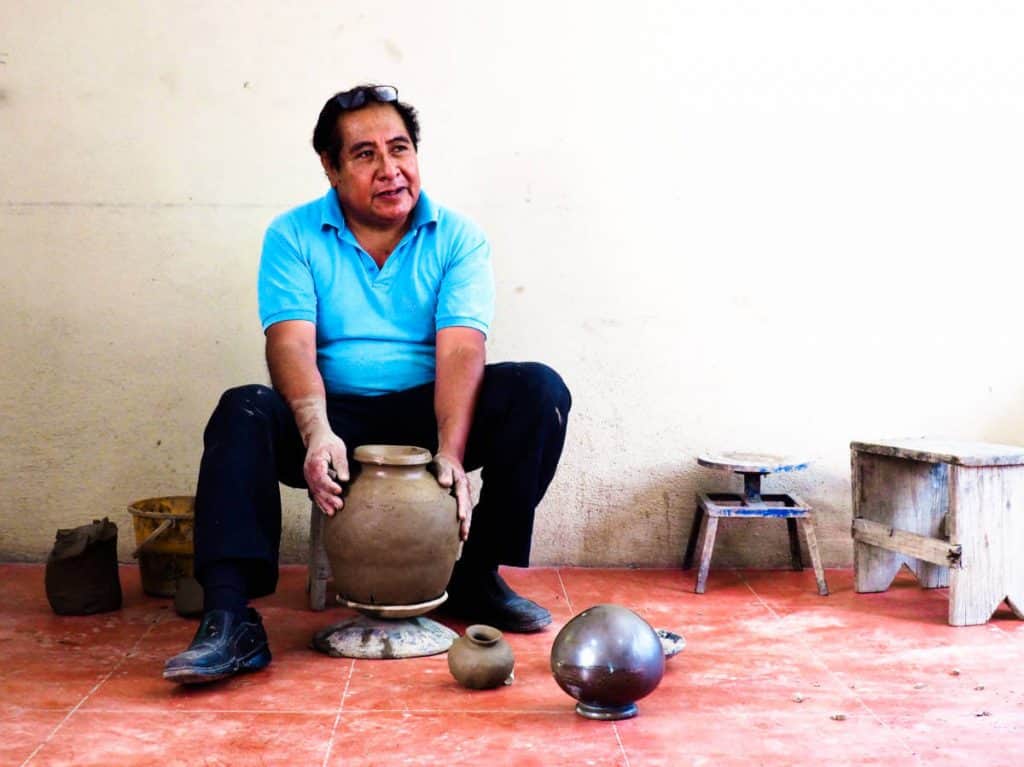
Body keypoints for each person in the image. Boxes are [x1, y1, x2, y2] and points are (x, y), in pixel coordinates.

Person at [163, 85, 571, 684]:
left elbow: (462, 347)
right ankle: (229, 617)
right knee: (241, 410)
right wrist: (317, 429)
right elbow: (290, 343)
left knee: (540, 393)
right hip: (332, 417)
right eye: (364, 155)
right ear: (330, 168)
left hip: (427, 413)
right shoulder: (293, 235)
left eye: (400, 149)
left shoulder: (457, 237)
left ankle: (475, 576)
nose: (390, 170)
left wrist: (452, 452)